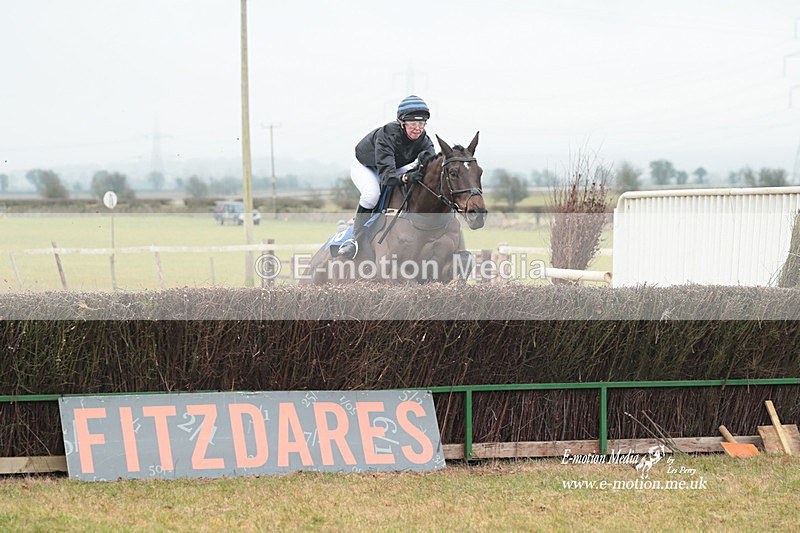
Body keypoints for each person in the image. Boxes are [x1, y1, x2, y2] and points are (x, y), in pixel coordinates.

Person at [337, 95, 436, 259]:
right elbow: (386, 177)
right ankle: (355, 240)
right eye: (413, 123)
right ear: (402, 124)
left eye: (421, 123)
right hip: (366, 167)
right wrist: (406, 178)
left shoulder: (425, 141)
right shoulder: (387, 134)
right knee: (372, 194)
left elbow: (431, 167)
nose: (418, 128)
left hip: (393, 167)